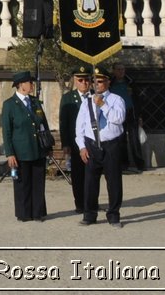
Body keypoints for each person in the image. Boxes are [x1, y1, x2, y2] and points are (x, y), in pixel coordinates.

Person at [76, 67, 127, 227]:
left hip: (111, 145)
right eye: (94, 81)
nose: (96, 84)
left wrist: (103, 105)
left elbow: (118, 119)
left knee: (113, 182)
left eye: (100, 81)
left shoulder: (116, 100)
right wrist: (82, 147)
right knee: (90, 182)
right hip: (92, 145)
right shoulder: (86, 102)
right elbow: (80, 126)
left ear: (107, 82)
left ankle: (113, 215)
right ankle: (89, 215)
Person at [1, 70, 51, 222]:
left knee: (38, 182)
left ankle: (37, 212)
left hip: (38, 149)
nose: (32, 85)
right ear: (20, 85)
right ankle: (23, 213)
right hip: (21, 151)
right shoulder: (10, 104)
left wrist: (48, 146)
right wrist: (10, 153)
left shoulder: (35, 101)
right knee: (22, 183)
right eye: (29, 82)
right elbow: (7, 131)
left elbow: (44, 124)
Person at [59, 68, 90, 214]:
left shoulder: (95, 97)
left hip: (91, 142)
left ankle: (91, 202)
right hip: (75, 142)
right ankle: (80, 203)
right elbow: (63, 122)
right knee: (78, 175)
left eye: (87, 80)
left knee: (92, 174)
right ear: (75, 81)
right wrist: (65, 143)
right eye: (80, 80)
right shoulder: (68, 98)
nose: (84, 83)